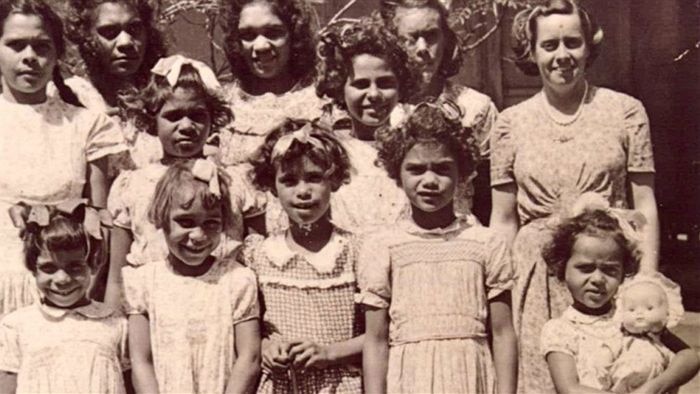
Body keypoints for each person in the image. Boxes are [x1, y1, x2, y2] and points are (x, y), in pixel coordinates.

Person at [488, 1, 660, 391]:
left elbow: (644, 204)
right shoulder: (509, 123)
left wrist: (645, 279)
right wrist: (497, 291)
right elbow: (503, 218)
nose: (562, 55)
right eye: (549, 45)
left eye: (573, 42)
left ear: (589, 47)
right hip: (534, 275)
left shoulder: (626, 112)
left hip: (607, 267)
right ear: (531, 51)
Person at [359, 102, 517, 394]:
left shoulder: (485, 243)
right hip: (410, 378)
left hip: (471, 377)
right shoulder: (383, 246)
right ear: (397, 173)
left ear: (463, 172)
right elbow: (376, 340)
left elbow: (503, 333)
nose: (429, 181)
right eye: (416, 170)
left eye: (442, 169)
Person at [0, 0, 127, 315]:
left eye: (41, 46)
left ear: (57, 54)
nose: (29, 57)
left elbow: (102, 219)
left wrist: (96, 293)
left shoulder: (87, 125)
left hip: (64, 288)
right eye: (16, 45)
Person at [106, 55, 263, 307]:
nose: (187, 126)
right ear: (152, 121)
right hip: (155, 310)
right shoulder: (133, 185)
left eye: (198, 115)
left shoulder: (236, 182)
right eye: (174, 116)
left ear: (213, 120)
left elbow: (259, 263)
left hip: (222, 306)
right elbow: (116, 277)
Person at [242, 119, 363, 393]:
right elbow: (249, 333)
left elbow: (380, 336)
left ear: (333, 180)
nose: (303, 191)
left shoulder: (356, 250)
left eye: (314, 177)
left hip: (342, 386)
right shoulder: (258, 255)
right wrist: (267, 347)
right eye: (289, 180)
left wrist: (329, 353)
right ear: (272, 187)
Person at [264, 17, 416, 233]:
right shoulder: (324, 151)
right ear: (339, 87)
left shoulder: (414, 150)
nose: (374, 94)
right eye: (360, 84)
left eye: (385, 83)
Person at [123, 160, 261, 393]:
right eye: (185, 222)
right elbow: (140, 362)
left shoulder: (237, 280)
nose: (198, 235)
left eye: (211, 223)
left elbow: (249, 357)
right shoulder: (144, 282)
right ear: (161, 217)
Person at [540, 195, 699, 393]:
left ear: (624, 273)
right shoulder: (560, 330)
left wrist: (654, 387)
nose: (598, 279)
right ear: (562, 268)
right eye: (585, 268)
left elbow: (690, 357)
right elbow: (570, 389)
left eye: (609, 270)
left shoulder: (632, 314)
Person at [380, 0, 498, 221]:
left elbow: (489, 199)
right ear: (393, 44)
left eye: (432, 36)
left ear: (446, 41)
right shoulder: (380, 109)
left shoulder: (476, 108)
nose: (423, 48)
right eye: (412, 38)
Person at [0, 201, 127, 393]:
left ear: (93, 263)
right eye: (49, 268)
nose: (62, 279)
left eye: (75, 267)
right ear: (32, 268)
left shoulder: (115, 322)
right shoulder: (16, 326)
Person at [218, 0, 327, 166]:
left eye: (273, 33)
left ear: (294, 35)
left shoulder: (321, 103)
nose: (261, 46)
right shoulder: (222, 105)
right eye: (248, 36)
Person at [62, 0, 168, 168]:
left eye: (134, 29)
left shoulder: (165, 93)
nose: (126, 42)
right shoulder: (71, 97)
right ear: (87, 37)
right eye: (110, 32)